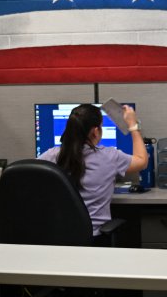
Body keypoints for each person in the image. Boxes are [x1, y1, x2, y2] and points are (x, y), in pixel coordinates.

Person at [38, 103, 147, 240]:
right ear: (96, 131)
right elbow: (142, 160)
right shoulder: (109, 157)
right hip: (93, 239)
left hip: (58, 239)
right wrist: (133, 126)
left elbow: (28, 173)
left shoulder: (51, 155)